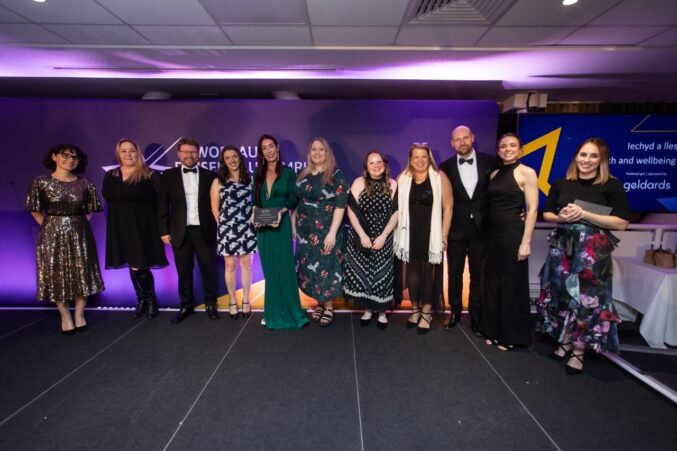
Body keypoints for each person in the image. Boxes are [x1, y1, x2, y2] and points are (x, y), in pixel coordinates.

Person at [537, 137, 630, 374]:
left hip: (592, 252)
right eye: (583, 155)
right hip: (562, 246)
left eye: (593, 156)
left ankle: (578, 350)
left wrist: (584, 213)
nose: (586, 160)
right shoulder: (561, 183)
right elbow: (547, 213)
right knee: (561, 295)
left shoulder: (611, 185)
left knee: (587, 300)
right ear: (575, 157)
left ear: (602, 160)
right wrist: (560, 217)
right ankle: (564, 341)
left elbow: (621, 223)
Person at [26, 144, 104, 334]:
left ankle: (79, 314)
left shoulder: (85, 183)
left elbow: (91, 207)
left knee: (81, 271)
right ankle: (64, 315)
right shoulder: (41, 182)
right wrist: (51, 226)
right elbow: (35, 210)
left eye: (74, 157)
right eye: (66, 155)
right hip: (52, 234)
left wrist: (77, 224)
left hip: (80, 233)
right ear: (54, 157)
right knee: (56, 273)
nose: (70, 159)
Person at [478, 133, 538, 350]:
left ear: (520, 149)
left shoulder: (526, 172)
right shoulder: (493, 173)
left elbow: (532, 210)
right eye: (503, 146)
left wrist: (526, 241)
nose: (508, 149)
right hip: (492, 235)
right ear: (498, 150)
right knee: (493, 284)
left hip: (513, 234)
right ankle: (493, 331)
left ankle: (510, 336)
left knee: (511, 285)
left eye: (513, 145)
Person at [103, 138, 168, 320]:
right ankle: (141, 299)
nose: (128, 154)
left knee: (140, 264)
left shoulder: (150, 175)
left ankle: (150, 299)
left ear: (138, 153)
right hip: (120, 226)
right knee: (132, 265)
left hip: (143, 227)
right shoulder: (111, 175)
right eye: (124, 151)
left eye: (131, 151)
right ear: (118, 154)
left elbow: (162, 203)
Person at [439, 125, 494, 334]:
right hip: (456, 228)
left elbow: (502, 192)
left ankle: (477, 315)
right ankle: (454, 311)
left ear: (473, 137)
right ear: (452, 143)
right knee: (454, 272)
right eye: (457, 139)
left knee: (479, 275)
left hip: (482, 228)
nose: (462, 142)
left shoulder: (490, 162)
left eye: (465, 138)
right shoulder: (445, 167)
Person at [158, 137, 220, 323]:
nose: (189, 155)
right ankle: (185, 305)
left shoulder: (211, 176)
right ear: (179, 154)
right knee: (184, 271)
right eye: (185, 151)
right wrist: (163, 230)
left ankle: (211, 303)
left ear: (198, 154)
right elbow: (162, 206)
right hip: (179, 232)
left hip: (205, 230)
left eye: (192, 151)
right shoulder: (168, 176)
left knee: (209, 269)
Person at [394, 143, 453, 334]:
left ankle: (427, 312)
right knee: (412, 274)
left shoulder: (439, 177)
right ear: (410, 159)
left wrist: (444, 235)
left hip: (432, 234)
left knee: (429, 274)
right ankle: (415, 309)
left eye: (423, 157)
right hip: (410, 234)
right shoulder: (402, 179)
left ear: (429, 158)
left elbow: (448, 207)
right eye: (416, 157)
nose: (420, 160)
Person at [253, 134, 309, 330]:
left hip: (281, 223)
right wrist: (255, 218)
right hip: (263, 227)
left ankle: (291, 311)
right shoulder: (257, 174)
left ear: (277, 148)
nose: (268, 150)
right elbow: (255, 202)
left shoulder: (288, 172)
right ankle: (273, 312)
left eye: (271, 146)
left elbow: (293, 199)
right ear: (261, 152)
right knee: (270, 271)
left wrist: (282, 211)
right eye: (264, 148)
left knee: (285, 268)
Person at [295, 138, 349, 327]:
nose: (317, 153)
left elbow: (341, 205)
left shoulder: (336, 174)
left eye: (321, 149)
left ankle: (328, 306)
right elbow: (298, 203)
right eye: (313, 150)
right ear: (309, 153)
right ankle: (318, 303)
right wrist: (295, 226)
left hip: (327, 230)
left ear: (327, 153)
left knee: (327, 268)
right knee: (310, 268)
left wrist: (332, 232)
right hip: (305, 232)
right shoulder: (302, 174)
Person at [344, 151, 398, 329]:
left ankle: (382, 312)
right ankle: (368, 309)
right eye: (371, 163)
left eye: (379, 162)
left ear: (385, 164)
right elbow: (351, 210)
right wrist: (362, 235)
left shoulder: (393, 184)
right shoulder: (358, 182)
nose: (376, 165)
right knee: (365, 275)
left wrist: (383, 236)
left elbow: (396, 213)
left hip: (384, 236)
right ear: (366, 167)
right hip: (362, 236)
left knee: (382, 275)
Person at [210, 145, 257, 320]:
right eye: (228, 157)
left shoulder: (251, 179)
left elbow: (256, 204)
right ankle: (232, 300)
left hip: (247, 227)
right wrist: (224, 227)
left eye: (234, 156)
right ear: (224, 161)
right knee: (230, 266)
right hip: (227, 229)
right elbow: (215, 208)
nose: (232, 160)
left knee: (247, 264)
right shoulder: (218, 181)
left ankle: (246, 300)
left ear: (240, 158)